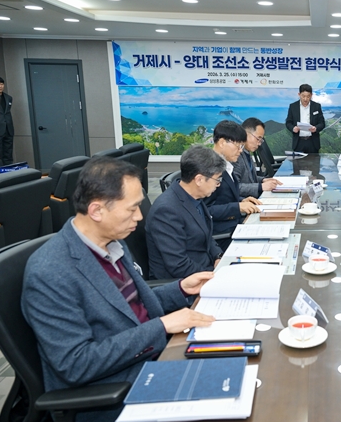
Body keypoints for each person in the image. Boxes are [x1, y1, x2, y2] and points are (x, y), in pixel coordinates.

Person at [21, 156, 215, 422]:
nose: (140, 216)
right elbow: (76, 363)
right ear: (97, 211)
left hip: (154, 356)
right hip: (114, 389)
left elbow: (125, 307)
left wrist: (181, 288)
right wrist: (160, 327)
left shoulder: (112, 242)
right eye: (132, 208)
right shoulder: (50, 272)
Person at [146, 145, 225, 279]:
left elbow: (206, 235)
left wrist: (218, 256)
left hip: (204, 267)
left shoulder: (193, 197)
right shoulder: (166, 211)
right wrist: (214, 275)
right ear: (199, 180)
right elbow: (178, 266)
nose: (218, 185)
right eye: (217, 180)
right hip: (183, 281)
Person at [206, 120, 261, 250]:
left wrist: (242, 200)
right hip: (222, 235)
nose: (240, 151)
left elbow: (224, 198)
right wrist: (237, 207)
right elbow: (204, 210)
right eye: (238, 146)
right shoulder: (208, 170)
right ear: (222, 142)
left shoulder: (226, 166)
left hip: (234, 225)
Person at [233, 117, 282, 197]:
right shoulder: (235, 156)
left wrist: (263, 180)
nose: (259, 144)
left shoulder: (247, 152)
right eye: (258, 139)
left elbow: (250, 179)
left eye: (261, 140)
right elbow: (234, 187)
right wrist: (260, 186)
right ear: (245, 134)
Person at [285, 84, 326, 153]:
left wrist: (316, 128)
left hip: (312, 142)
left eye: (308, 96)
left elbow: (322, 123)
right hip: (298, 142)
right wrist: (293, 128)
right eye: (303, 96)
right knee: (298, 160)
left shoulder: (316, 106)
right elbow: (288, 122)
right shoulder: (293, 106)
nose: (305, 99)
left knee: (314, 160)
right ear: (299, 94)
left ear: (311, 95)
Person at [0, 76, 12, 165]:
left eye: (1, 84)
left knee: (8, 153)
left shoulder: (8, 97)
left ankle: (9, 170)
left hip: (8, 129)